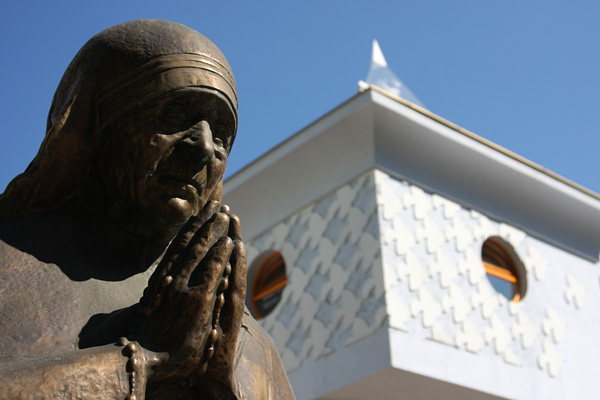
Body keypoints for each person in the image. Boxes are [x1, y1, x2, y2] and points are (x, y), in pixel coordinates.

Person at [0, 19, 294, 399]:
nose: (203, 147)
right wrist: (146, 360)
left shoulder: (238, 336)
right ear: (92, 122)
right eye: (173, 113)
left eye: (221, 136)